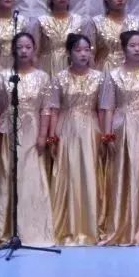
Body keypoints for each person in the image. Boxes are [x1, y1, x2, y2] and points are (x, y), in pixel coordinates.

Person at [0, 31, 55, 247]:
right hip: (8, 131)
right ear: (13, 50)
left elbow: (46, 108)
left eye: (28, 47)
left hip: (32, 132)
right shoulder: (2, 76)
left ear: (34, 50)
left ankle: (33, 229)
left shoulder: (42, 77)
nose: (24, 51)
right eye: (19, 47)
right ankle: (5, 229)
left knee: (31, 177)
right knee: (8, 176)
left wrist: (43, 135)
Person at [98, 30, 139, 246]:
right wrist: (107, 135)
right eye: (132, 46)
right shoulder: (113, 75)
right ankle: (121, 224)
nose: (137, 49)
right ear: (124, 49)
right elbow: (108, 106)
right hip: (121, 128)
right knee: (122, 175)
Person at [48, 33, 105, 247]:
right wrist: (52, 136)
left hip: (91, 129)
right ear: (69, 53)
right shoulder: (59, 78)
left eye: (87, 50)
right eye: (78, 50)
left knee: (90, 173)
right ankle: (67, 225)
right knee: (68, 174)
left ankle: (90, 225)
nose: (83, 54)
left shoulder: (100, 78)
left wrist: (105, 135)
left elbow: (102, 109)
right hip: (67, 129)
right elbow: (54, 109)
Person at [36, 0, 88, 76]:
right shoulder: (41, 21)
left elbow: (86, 50)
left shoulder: (79, 21)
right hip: (47, 68)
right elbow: (35, 53)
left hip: (72, 68)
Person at [91, 0, 139, 72]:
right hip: (104, 70)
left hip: (130, 71)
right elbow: (91, 53)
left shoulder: (136, 22)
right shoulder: (96, 22)